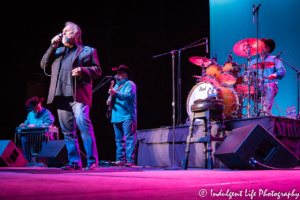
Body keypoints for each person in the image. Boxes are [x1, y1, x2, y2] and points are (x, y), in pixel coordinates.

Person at [41, 22, 102, 170]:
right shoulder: (58, 51)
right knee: (67, 130)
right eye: (62, 32)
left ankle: (92, 160)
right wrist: (52, 46)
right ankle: (74, 161)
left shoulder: (88, 51)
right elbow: (44, 65)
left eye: (67, 32)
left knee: (83, 125)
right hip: (61, 95)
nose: (64, 34)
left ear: (77, 35)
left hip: (79, 95)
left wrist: (84, 71)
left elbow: (98, 70)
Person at [107, 65, 137, 167]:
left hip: (127, 115)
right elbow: (110, 98)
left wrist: (115, 93)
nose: (117, 75)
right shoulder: (115, 85)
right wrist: (108, 100)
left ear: (125, 74)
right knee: (119, 140)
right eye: (117, 73)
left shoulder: (130, 84)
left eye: (119, 73)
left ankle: (129, 160)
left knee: (129, 139)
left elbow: (127, 96)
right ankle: (120, 160)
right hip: (116, 116)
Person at [251, 38, 286, 114]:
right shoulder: (253, 62)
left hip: (269, 85)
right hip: (257, 87)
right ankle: (240, 114)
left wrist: (275, 74)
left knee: (270, 86)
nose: (261, 48)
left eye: (264, 46)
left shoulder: (274, 59)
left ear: (269, 49)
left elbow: (282, 71)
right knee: (240, 89)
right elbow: (249, 76)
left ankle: (265, 113)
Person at [19, 97, 55, 162]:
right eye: (33, 108)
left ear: (39, 104)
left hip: (44, 135)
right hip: (33, 136)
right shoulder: (30, 114)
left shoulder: (46, 113)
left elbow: (48, 124)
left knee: (45, 137)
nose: (34, 110)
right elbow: (27, 123)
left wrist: (35, 126)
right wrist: (24, 125)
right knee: (24, 138)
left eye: (36, 107)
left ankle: (46, 160)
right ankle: (28, 160)